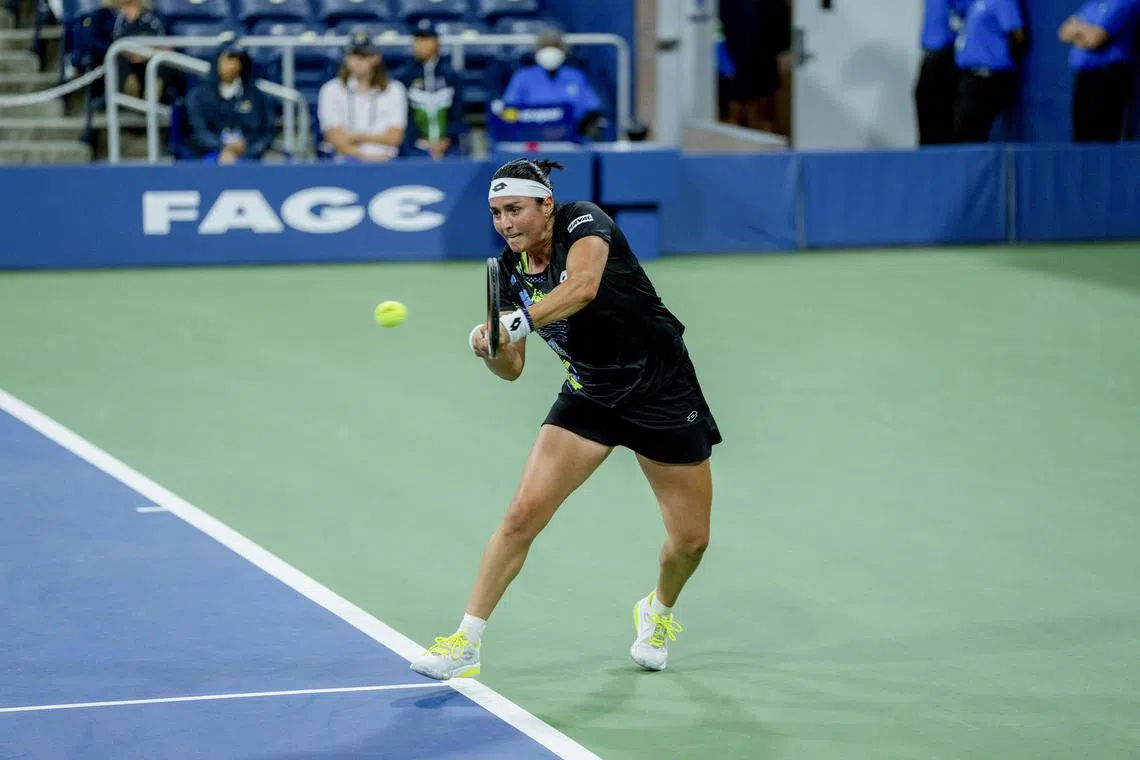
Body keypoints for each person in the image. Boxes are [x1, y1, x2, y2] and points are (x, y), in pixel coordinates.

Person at [409, 158, 722, 681]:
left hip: (663, 395)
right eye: (496, 213)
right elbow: (512, 370)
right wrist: (490, 345)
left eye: (515, 210)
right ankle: (466, 641)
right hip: (590, 397)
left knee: (690, 542)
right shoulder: (508, 271)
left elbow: (583, 288)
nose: (506, 223)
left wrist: (518, 321)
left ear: (546, 205)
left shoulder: (583, 223)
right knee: (520, 517)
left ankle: (658, 611)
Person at [317, 32, 407, 162]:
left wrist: (356, 137)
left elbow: (394, 137)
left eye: (364, 56)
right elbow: (334, 138)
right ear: (346, 58)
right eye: (353, 55)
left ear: (376, 58)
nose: (358, 61)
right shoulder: (331, 90)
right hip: (344, 161)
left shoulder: (394, 90)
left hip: (386, 160)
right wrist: (364, 156)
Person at [1059, 0, 1140, 142]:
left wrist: (1079, 31)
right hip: (1084, 78)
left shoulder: (1123, 3)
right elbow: (1064, 32)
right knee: (1082, 139)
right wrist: (1087, 31)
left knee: (1102, 139)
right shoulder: (1094, 3)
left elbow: (1095, 39)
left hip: (1107, 79)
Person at [501, 31, 606, 140]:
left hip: (571, 138)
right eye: (545, 47)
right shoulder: (522, 77)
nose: (550, 52)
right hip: (531, 139)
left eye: (556, 47)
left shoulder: (575, 76)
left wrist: (580, 128)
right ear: (537, 51)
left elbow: (592, 108)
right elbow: (509, 110)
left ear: (564, 51)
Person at [184, 41, 274, 164]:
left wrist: (248, 149)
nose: (234, 65)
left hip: (249, 156)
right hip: (208, 155)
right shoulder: (198, 96)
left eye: (239, 60)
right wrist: (223, 147)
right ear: (217, 61)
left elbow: (267, 133)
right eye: (229, 59)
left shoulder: (257, 96)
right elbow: (198, 131)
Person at [951, 0, 1027, 143]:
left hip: (988, 76)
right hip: (969, 76)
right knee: (961, 127)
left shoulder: (1003, 2)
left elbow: (1017, 34)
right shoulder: (975, 3)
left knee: (972, 127)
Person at [393, 19, 466, 159]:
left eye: (426, 39)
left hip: (449, 146)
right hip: (414, 146)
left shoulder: (451, 75)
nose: (420, 44)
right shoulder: (403, 76)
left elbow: (458, 112)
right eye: (417, 39)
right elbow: (403, 114)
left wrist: (447, 140)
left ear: (437, 42)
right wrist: (419, 140)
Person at [915, 0, 967, 145]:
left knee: (942, 114)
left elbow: (966, 13)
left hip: (947, 57)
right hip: (929, 55)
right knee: (924, 105)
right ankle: (928, 158)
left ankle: (944, 159)